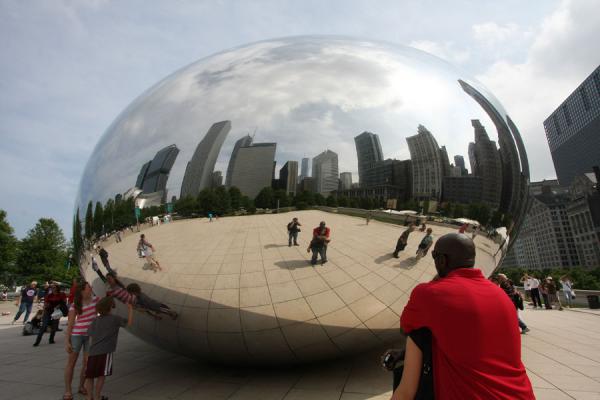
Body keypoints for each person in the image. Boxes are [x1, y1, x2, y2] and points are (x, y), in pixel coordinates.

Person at [392, 233, 534, 399]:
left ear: (442, 260)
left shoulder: (429, 293)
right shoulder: (501, 295)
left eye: (434, 256)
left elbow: (406, 328)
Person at [84, 296, 134, 400]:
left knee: (90, 376)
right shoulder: (115, 319)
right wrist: (130, 310)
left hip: (93, 352)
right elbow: (129, 323)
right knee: (102, 375)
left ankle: (89, 397)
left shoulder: (95, 320)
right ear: (111, 306)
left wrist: (88, 353)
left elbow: (91, 336)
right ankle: (97, 397)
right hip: (106, 352)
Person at [63, 280, 98, 400]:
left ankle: (81, 386)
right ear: (83, 290)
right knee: (71, 363)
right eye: (89, 287)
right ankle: (68, 390)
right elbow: (70, 324)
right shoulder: (75, 305)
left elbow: (107, 304)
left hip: (90, 336)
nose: (91, 288)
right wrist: (67, 341)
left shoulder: (96, 300)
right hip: (77, 335)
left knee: (87, 363)